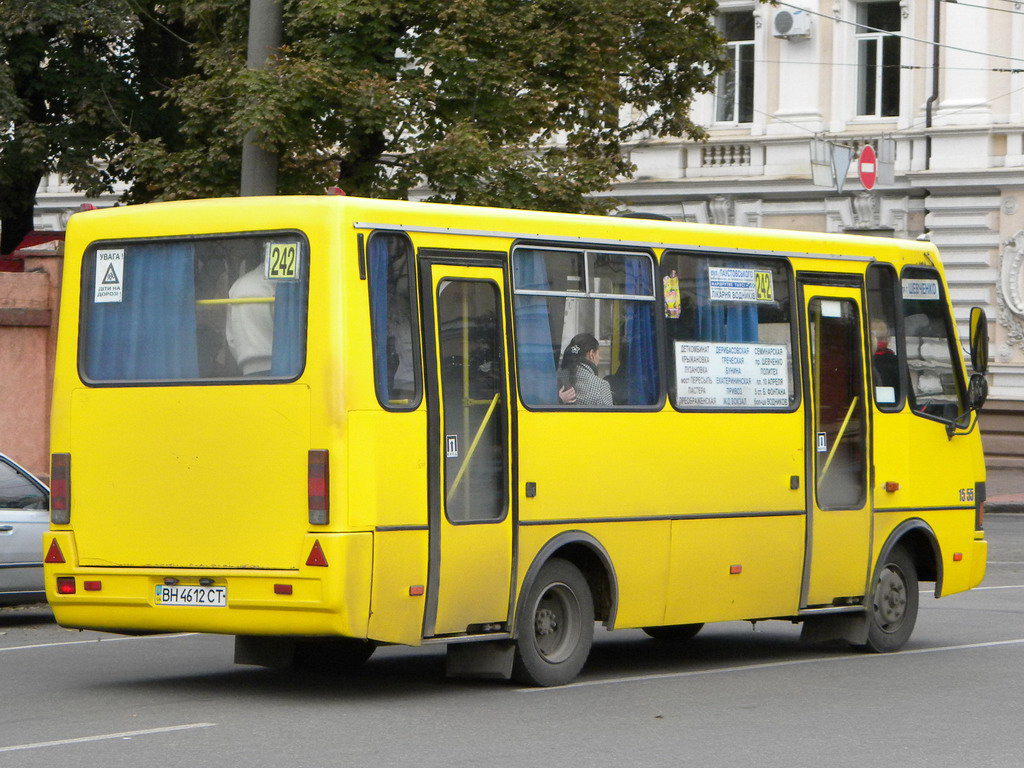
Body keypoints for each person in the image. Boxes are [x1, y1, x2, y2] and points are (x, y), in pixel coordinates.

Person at [226, 263, 274, 375]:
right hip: (283, 368)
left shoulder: (237, 286)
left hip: (248, 370)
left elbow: (231, 338)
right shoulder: (286, 286)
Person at [558, 333, 613, 407]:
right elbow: (608, 417)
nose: (600, 358)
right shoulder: (601, 386)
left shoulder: (557, 377)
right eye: (598, 354)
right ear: (591, 354)